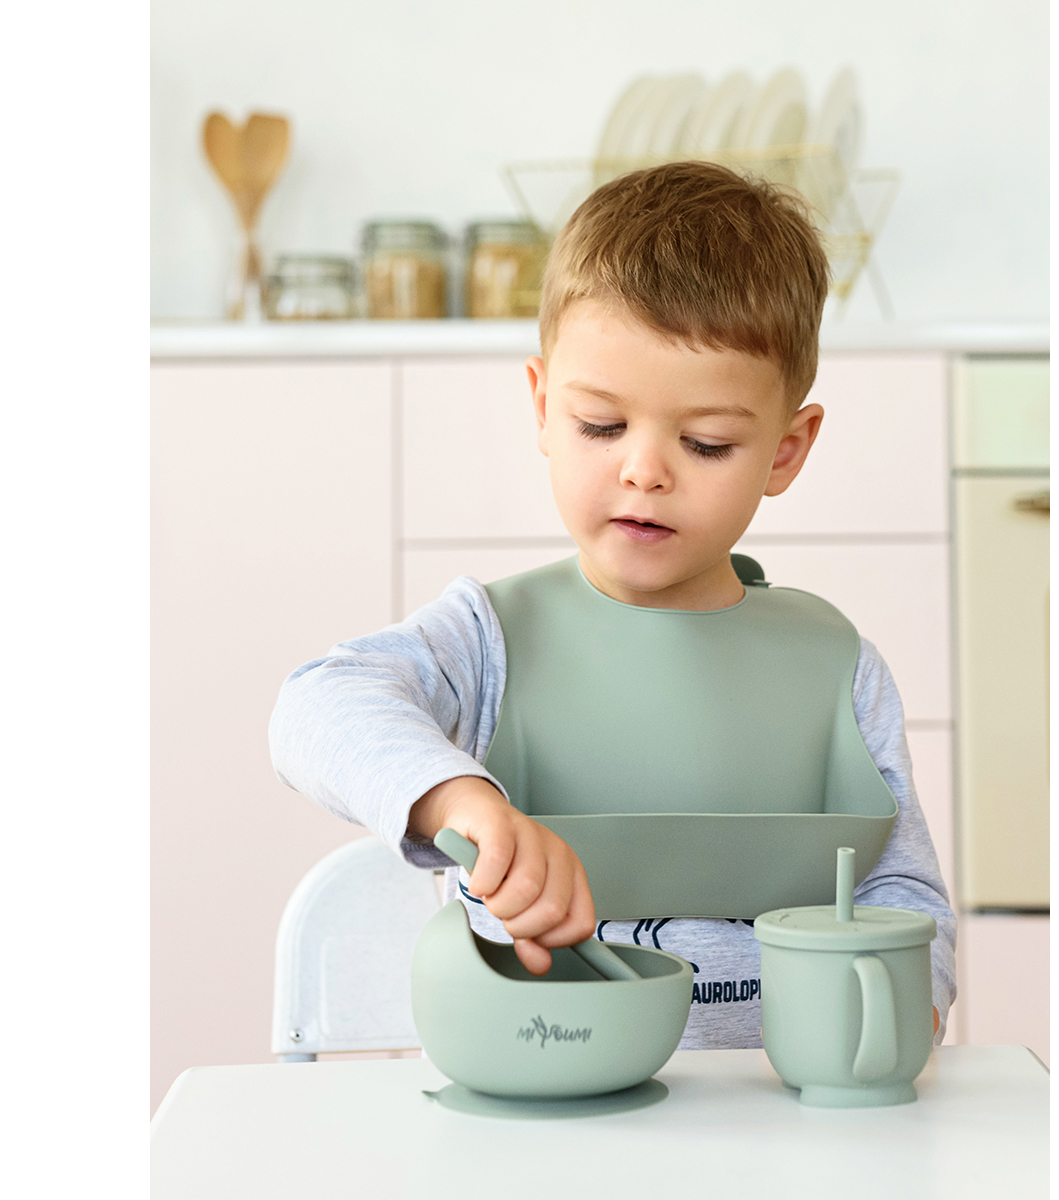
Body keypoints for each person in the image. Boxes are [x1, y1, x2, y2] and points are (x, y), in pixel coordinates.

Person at [269, 161, 956, 1048]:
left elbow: (903, 894)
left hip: (776, 1113)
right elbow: (315, 705)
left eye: (706, 442)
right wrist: (462, 803)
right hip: (541, 1102)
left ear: (786, 452)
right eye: (600, 425)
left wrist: (901, 1016)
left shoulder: (838, 669)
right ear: (543, 408)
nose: (644, 470)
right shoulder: (488, 641)